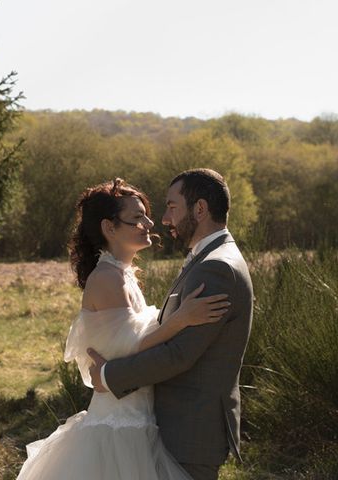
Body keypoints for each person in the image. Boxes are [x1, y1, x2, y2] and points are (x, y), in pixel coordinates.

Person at [16, 178, 230, 480]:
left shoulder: (123, 275)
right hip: (119, 426)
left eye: (145, 214)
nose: (149, 222)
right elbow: (135, 346)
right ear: (109, 228)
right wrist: (182, 318)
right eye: (136, 218)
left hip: (138, 416)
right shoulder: (107, 279)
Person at [88, 168, 254, 480]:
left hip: (190, 432)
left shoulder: (216, 268)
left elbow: (178, 354)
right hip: (177, 428)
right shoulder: (208, 259)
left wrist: (108, 375)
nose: (164, 219)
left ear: (200, 209)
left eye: (172, 207)